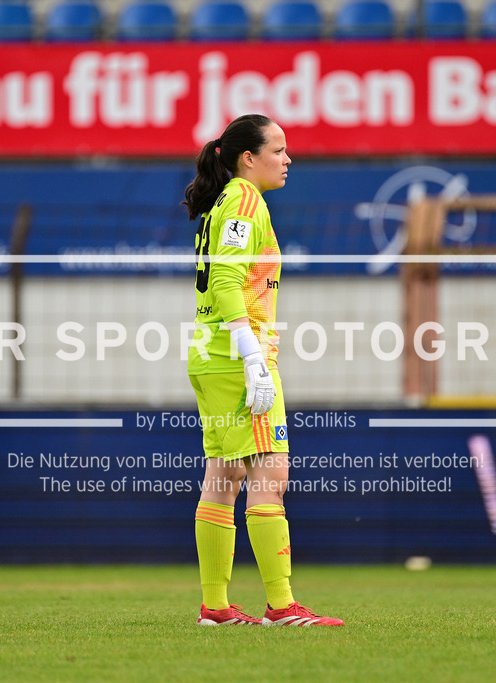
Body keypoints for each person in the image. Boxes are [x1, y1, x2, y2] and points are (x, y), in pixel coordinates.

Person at [183, 114, 344, 627]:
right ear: (248, 159)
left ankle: (216, 607)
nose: (288, 159)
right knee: (270, 475)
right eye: (278, 150)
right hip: (238, 358)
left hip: (210, 356)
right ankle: (281, 605)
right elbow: (227, 281)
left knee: (223, 476)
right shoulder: (245, 200)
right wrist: (252, 356)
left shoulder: (223, 202)